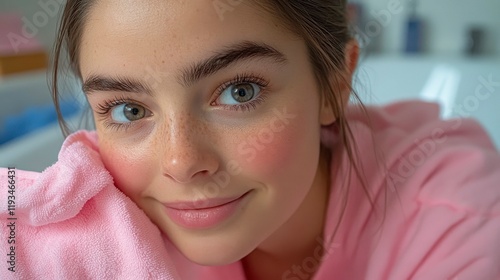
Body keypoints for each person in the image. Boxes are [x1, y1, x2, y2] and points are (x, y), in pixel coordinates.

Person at [1, 0, 500, 279]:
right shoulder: (92, 228)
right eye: (129, 110)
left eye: (239, 91)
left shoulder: (456, 216)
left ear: (334, 85)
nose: (181, 162)